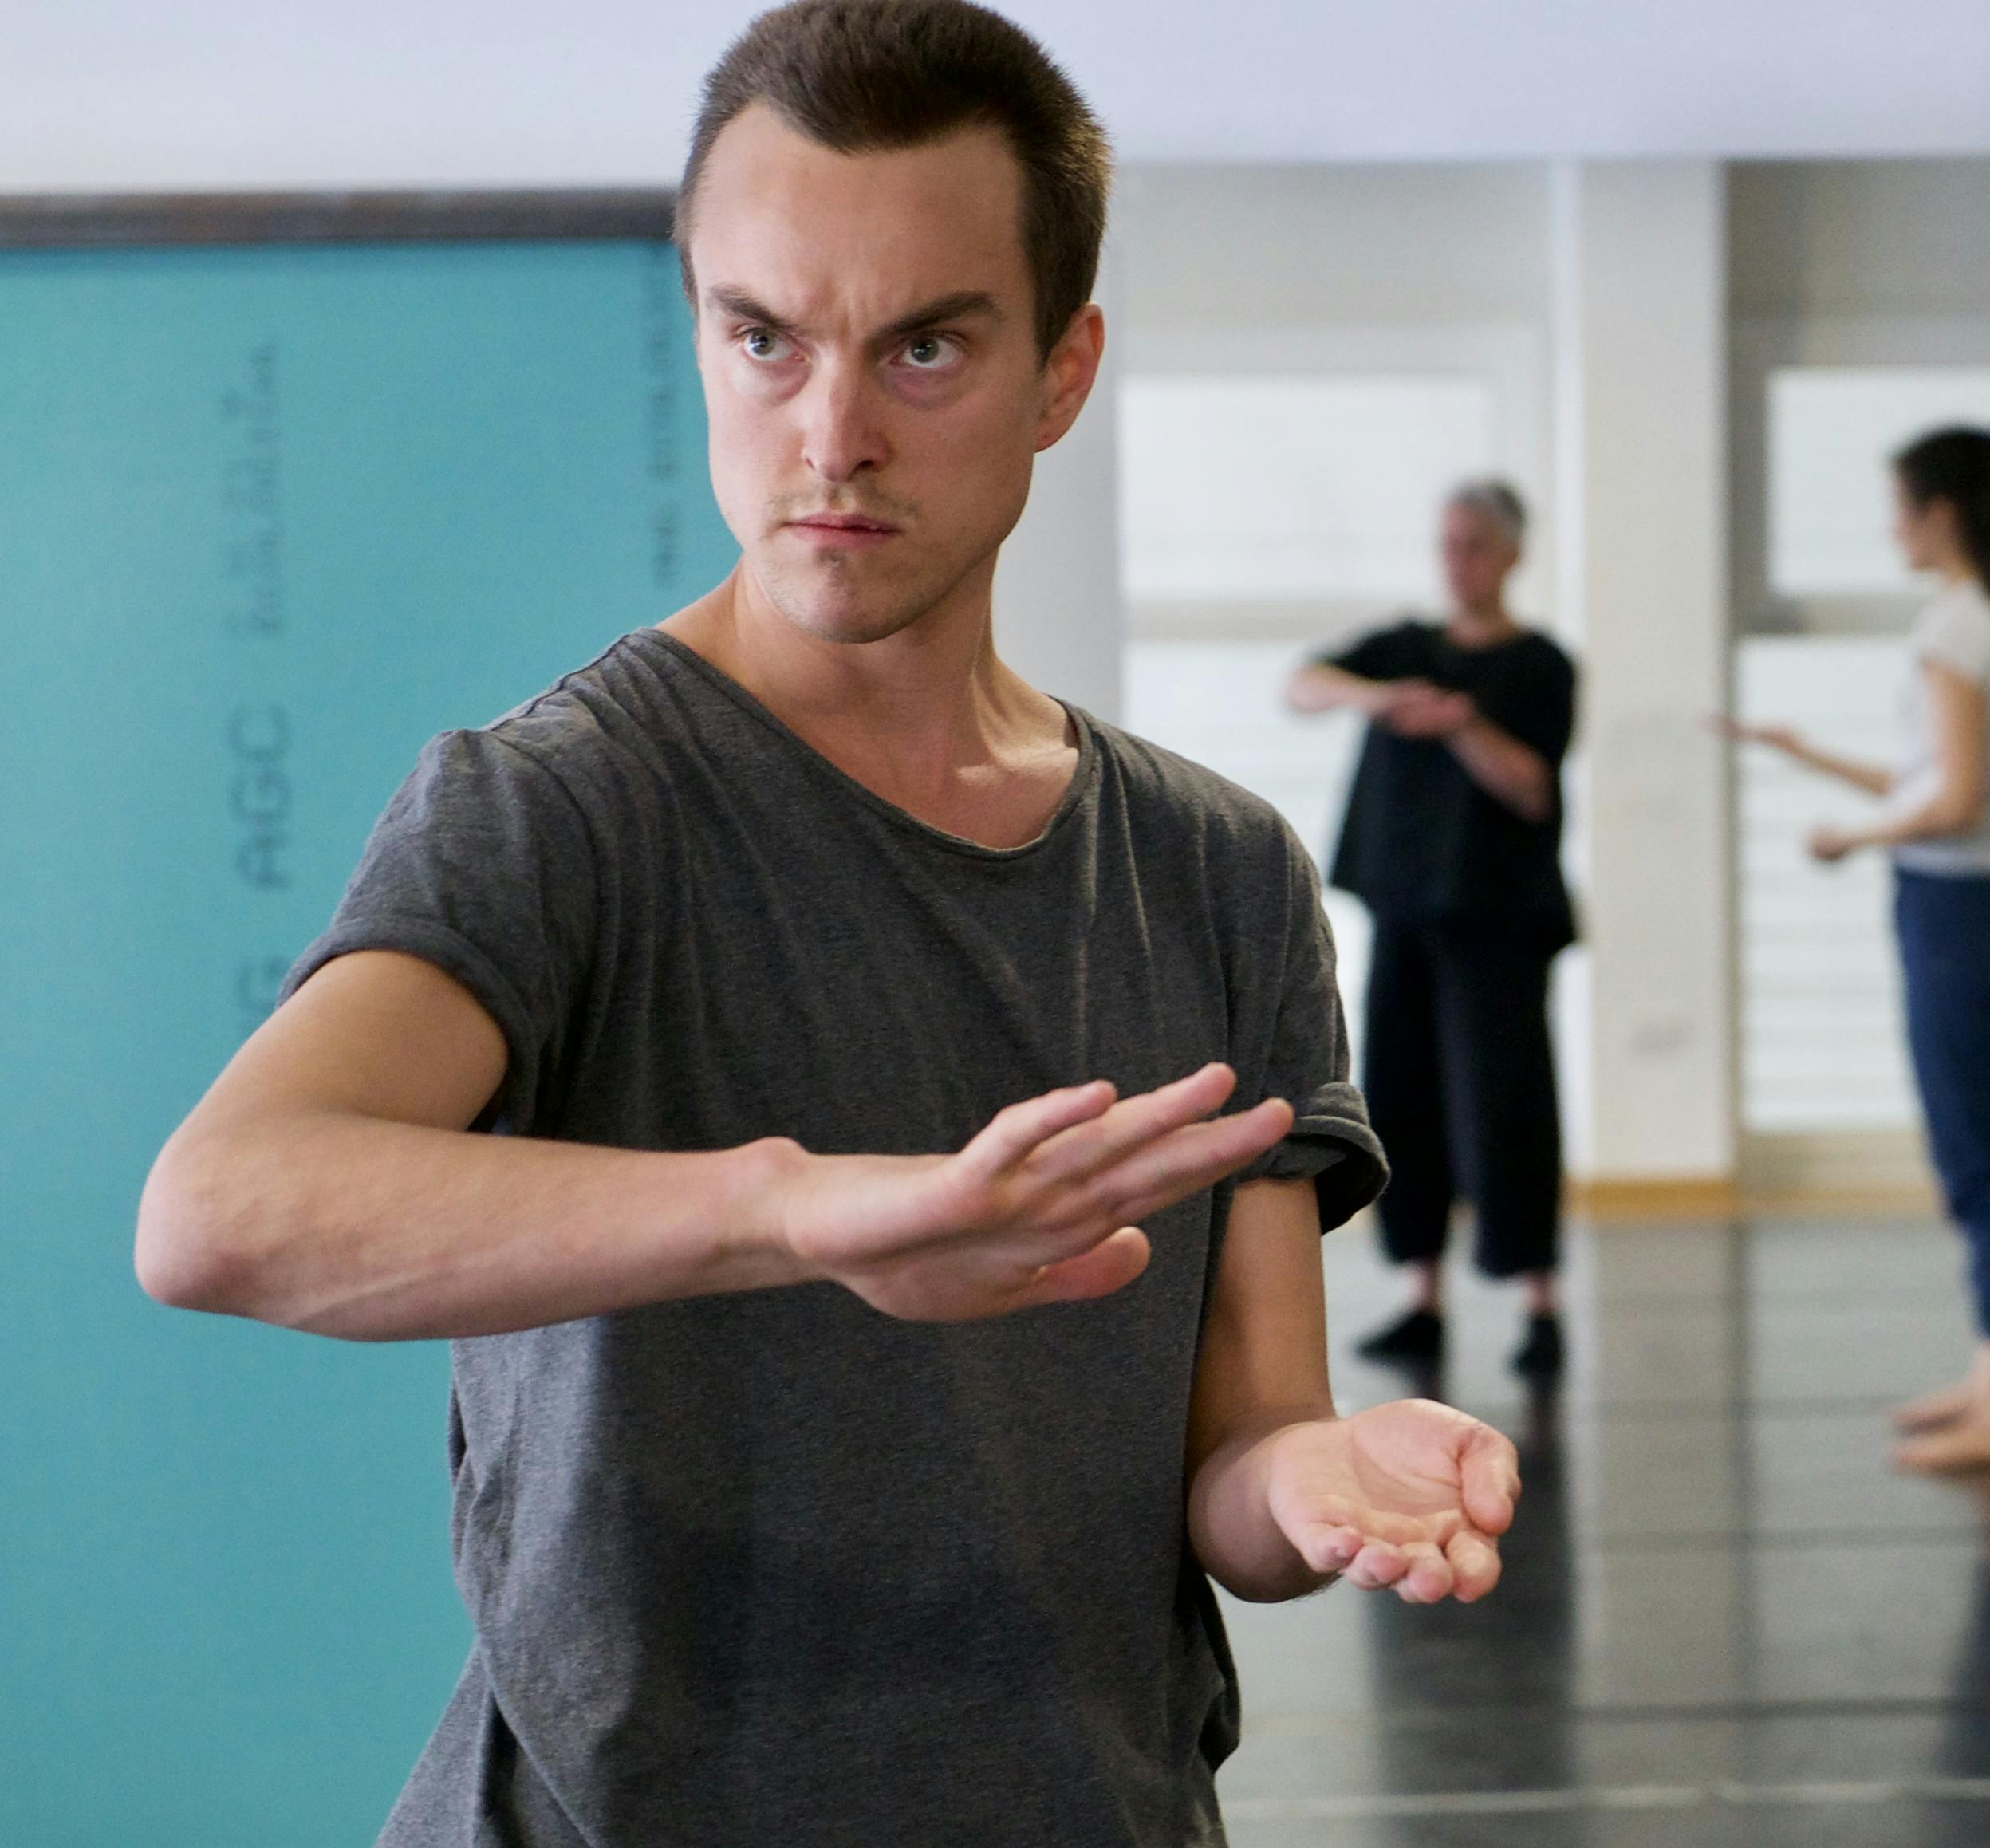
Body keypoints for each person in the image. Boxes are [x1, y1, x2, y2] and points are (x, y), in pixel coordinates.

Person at [130, 6, 1519, 1844]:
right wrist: (795, 1208)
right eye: (762, 339)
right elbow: (221, 1215)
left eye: (924, 346)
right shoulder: (567, 806)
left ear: (1061, 371)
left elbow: (1237, 1468)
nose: (831, 433)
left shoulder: (1219, 869)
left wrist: (1326, 1480)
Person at [1718, 425, 1990, 1473]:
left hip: (1959, 915)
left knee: (1973, 1155)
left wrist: (1846, 837)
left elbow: (1948, 801)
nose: (1888, 528)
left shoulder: (1952, 632)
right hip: (1984, 905)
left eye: (1897, 506)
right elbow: (1937, 785)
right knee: (1974, 1146)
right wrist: (1807, 755)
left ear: (1939, 513)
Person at [1287, 481, 1578, 1378]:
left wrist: (1459, 725)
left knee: (1504, 1105)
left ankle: (1539, 1302)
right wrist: (1378, 700)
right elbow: (1302, 685)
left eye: (1477, 546)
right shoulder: (1401, 648)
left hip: (1499, 923)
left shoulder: (1540, 666)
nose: (1460, 562)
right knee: (1402, 1099)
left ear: (1513, 554)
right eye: (1449, 544)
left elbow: (1532, 786)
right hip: (1405, 909)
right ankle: (1424, 1297)